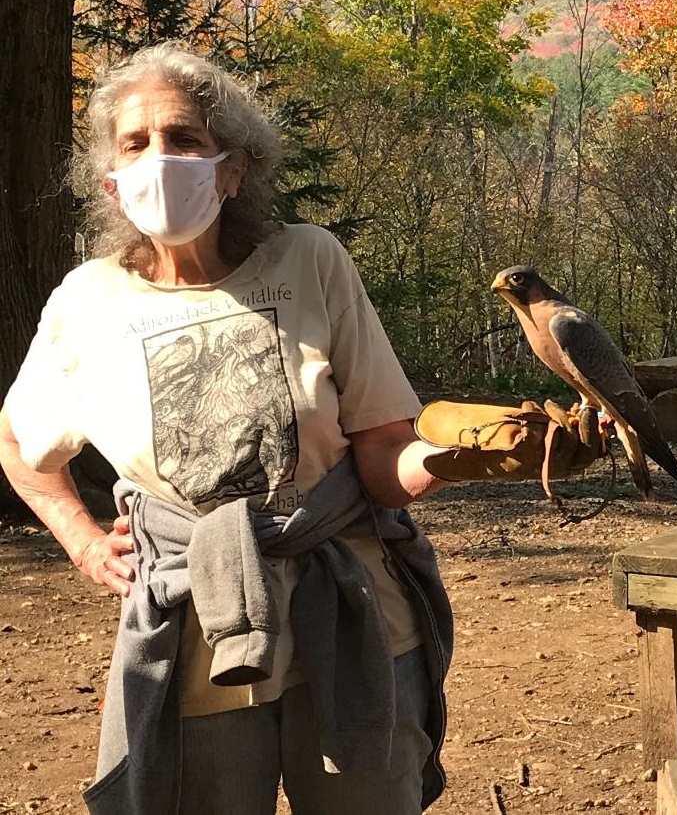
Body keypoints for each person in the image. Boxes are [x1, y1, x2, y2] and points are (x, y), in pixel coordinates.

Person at [0, 43, 602, 815]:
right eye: (136, 143)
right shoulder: (87, 302)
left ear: (233, 167)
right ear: (111, 183)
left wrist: (460, 457)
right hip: (193, 633)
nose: (161, 158)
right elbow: (19, 442)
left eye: (185, 139)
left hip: (351, 618)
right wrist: (83, 540)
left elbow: (383, 454)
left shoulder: (309, 261)